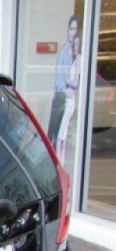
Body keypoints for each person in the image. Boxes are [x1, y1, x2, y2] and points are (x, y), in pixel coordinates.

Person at [46, 15, 79, 151]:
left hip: (67, 100)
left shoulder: (76, 54)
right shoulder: (65, 52)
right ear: (68, 31)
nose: (73, 32)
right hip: (61, 97)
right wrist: (67, 90)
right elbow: (60, 82)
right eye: (71, 29)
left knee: (61, 137)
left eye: (75, 29)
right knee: (53, 136)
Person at [56, 34, 81, 164]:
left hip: (70, 102)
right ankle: (62, 161)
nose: (75, 46)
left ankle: (60, 162)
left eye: (77, 44)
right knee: (63, 135)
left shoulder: (79, 60)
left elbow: (76, 83)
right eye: (74, 44)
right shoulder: (74, 59)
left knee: (61, 135)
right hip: (68, 100)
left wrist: (67, 79)